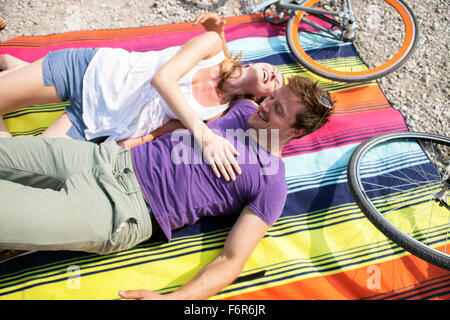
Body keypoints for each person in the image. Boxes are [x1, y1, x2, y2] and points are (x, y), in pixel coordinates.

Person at [0, 75, 333, 299]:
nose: (264, 105)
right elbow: (218, 76)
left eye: (277, 109)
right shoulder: (244, 107)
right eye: (272, 96)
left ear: (297, 132)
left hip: (119, 209)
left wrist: (176, 299)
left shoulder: (271, 182)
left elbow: (232, 260)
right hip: (103, 158)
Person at [0, 13, 284, 181]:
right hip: (91, 72)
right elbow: (162, 80)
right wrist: (205, 136)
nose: (274, 73)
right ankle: (16, 73)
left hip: (95, 123)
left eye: (277, 82)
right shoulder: (212, 46)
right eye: (275, 69)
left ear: (262, 98)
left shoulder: (217, 115)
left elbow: (159, 132)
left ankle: (17, 71)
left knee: (20, 170)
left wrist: (117, 150)